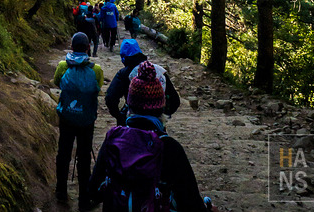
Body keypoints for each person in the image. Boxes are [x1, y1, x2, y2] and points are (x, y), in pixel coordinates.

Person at [89, 61, 220, 212]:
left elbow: (94, 191)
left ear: (129, 105)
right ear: (161, 107)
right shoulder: (170, 147)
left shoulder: (113, 139)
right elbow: (191, 203)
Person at [53, 32, 104, 210]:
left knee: (63, 153)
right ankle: (84, 199)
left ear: (72, 47)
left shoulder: (62, 66)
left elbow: (57, 83)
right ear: (88, 47)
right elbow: (97, 90)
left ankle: (60, 191)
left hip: (67, 116)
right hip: (87, 119)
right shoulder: (96, 70)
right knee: (83, 158)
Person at [105, 38, 180, 125]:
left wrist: (119, 116)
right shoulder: (159, 71)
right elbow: (175, 100)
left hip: (132, 121)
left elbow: (110, 98)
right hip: (156, 121)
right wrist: (164, 114)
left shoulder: (123, 74)